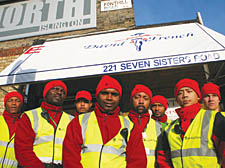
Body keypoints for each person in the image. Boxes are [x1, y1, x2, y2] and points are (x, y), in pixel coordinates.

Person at [63, 75, 143, 168]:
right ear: (97, 96)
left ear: (119, 98)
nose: (109, 98)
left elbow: (138, 161)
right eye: (105, 93)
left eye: (114, 94)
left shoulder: (129, 126)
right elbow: (70, 157)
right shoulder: (79, 122)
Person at [158, 78, 225, 167]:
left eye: (189, 91)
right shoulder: (169, 129)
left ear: (198, 96)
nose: (185, 95)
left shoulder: (214, 118)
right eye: (180, 93)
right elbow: (164, 160)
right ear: (177, 99)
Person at [15, 80, 74, 168]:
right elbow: (22, 149)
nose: (59, 92)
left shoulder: (71, 120)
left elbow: (73, 151)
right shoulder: (29, 116)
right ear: (45, 93)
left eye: (62, 91)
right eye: (55, 89)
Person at [128, 84, 168, 167]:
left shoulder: (159, 126)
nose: (141, 101)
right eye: (137, 97)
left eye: (145, 98)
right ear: (131, 100)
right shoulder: (122, 123)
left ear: (149, 102)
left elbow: (163, 158)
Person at [0, 91, 23, 168]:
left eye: (17, 101)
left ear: (21, 105)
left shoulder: (25, 126)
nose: (14, 103)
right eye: (10, 100)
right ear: (5, 104)